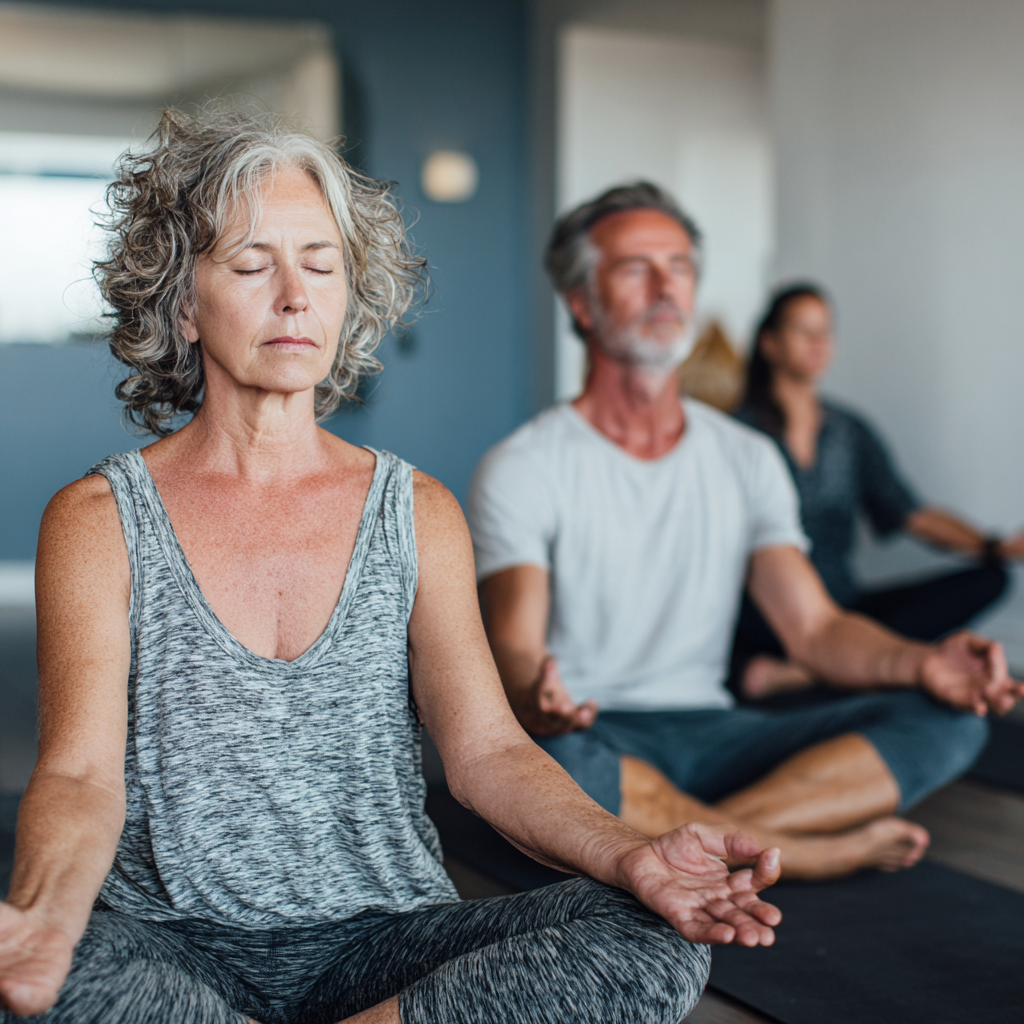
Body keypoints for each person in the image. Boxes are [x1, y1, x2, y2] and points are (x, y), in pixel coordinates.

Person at [0, 115, 784, 1024]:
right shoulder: (99, 520)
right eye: (253, 265)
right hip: (170, 943)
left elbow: (488, 753)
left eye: (322, 265)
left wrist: (629, 854)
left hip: (384, 939)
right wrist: (46, 918)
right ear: (183, 302)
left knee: (652, 936)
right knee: (58, 966)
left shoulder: (415, 512)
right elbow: (80, 776)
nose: (295, 296)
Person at [468, 181, 1022, 883]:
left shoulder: (745, 458)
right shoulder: (522, 465)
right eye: (637, 267)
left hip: (716, 729)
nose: (667, 285)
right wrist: (532, 696)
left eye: (681, 266)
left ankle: (692, 840)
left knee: (948, 719)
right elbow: (514, 644)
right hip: (597, 730)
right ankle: (805, 849)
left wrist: (925, 664)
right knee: (543, 759)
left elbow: (816, 632)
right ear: (582, 302)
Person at [732, 283, 1021, 700]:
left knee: (989, 579)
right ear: (770, 343)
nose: (818, 342)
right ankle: (821, 666)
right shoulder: (737, 436)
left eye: (826, 331)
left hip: (842, 610)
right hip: (767, 616)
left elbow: (909, 513)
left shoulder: (849, 431)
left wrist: (993, 546)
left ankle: (811, 672)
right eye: (803, 330)